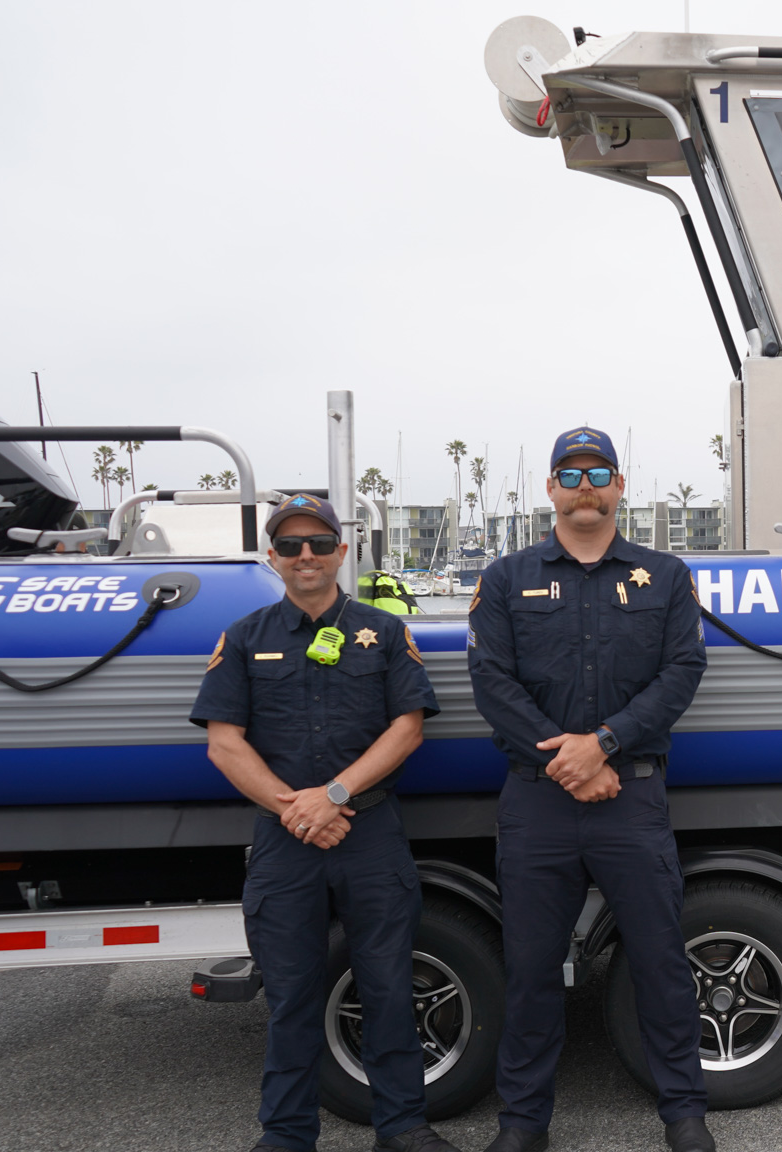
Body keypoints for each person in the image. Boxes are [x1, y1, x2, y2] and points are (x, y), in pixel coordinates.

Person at [467, 428, 714, 1152]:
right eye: (570, 473)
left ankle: (684, 1114)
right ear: (549, 488)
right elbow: (492, 683)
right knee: (532, 970)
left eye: (598, 472)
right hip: (537, 802)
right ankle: (522, 1124)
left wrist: (602, 745)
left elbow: (682, 672)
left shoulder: (663, 576)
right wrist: (566, 761)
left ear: (619, 486)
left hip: (630, 796)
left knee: (661, 961)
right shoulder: (507, 578)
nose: (585, 485)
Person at [189, 494, 455, 1152]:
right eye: (289, 545)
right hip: (286, 844)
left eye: (317, 543)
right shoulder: (245, 638)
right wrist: (294, 807)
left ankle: (403, 1129)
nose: (304, 555)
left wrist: (332, 793)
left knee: (390, 987)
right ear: (272, 557)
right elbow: (224, 743)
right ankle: (285, 1135)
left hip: (369, 835)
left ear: (341, 551)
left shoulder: (385, 632)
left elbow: (408, 727)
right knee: (291, 995)